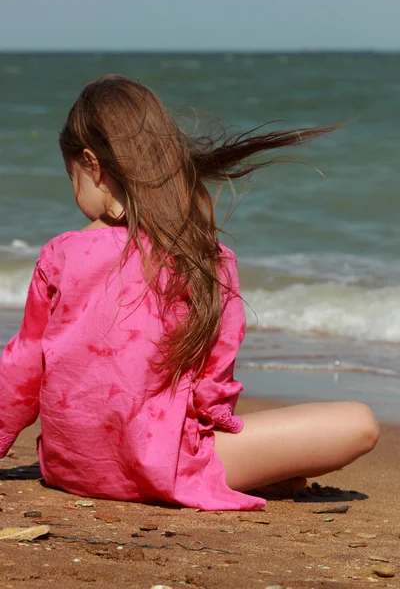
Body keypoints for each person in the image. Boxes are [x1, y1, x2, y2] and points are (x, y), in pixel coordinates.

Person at [0, 75, 379, 511]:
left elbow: (22, 369)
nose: (74, 190)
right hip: (162, 464)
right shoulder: (203, 256)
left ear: (92, 163)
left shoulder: (60, 254)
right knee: (360, 424)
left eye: (72, 177)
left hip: (70, 467)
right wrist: (212, 425)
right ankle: (248, 473)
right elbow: (212, 388)